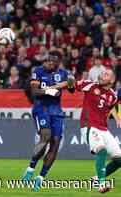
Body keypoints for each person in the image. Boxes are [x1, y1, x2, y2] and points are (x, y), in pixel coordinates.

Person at [21, 51, 75, 191]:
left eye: (53, 61)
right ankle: (30, 169)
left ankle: (40, 178)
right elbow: (34, 92)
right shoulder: (38, 71)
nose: (49, 63)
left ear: (58, 63)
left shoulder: (63, 73)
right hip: (41, 109)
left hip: (56, 111)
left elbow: (72, 90)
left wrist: (71, 84)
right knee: (45, 137)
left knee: (55, 144)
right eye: (48, 60)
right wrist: (48, 91)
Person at [76, 70, 121, 193]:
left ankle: (96, 179)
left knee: (119, 159)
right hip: (89, 126)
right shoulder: (90, 85)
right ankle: (101, 185)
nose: (102, 74)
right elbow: (71, 84)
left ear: (111, 80)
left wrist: (117, 118)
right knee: (101, 151)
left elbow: (111, 107)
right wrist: (53, 88)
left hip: (103, 128)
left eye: (106, 74)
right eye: (102, 73)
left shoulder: (113, 95)